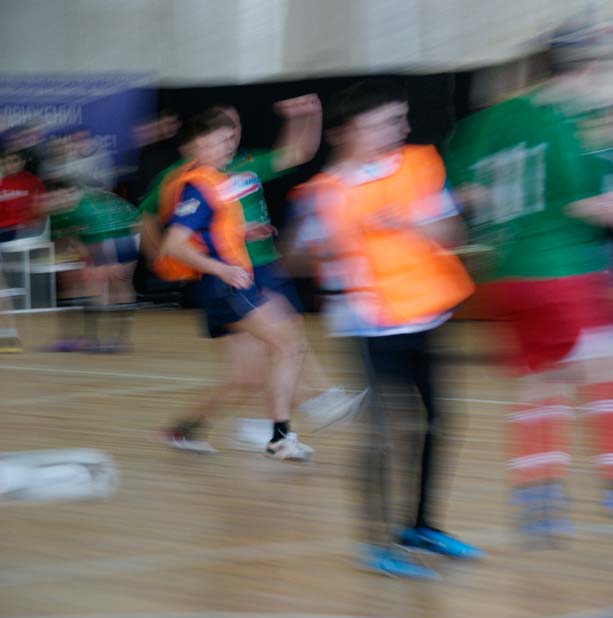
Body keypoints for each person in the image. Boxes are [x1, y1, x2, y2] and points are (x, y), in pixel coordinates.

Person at [445, 40, 613, 540]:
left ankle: (537, 498)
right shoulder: (573, 119)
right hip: (566, 271)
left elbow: (466, 192)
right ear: (587, 69)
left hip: (506, 275)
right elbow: (600, 208)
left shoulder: (487, 121)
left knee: (542, 382)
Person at [288, 80, 481, 578]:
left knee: (439, 422)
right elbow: (298, 255)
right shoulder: (327, 192)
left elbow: (453, 231)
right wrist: (328, 246)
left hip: (426, 314)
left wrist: (412, 224)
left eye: (401, 118)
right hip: (368, 325)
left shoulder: (420, 164)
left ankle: (420, 526)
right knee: (383, 432)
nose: (402, 128)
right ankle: (375, 545)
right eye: (388, 122)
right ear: (351, 131)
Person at [154, 109, 311, 462]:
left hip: (225, 286)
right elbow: (173, 244)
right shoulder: (199, 186)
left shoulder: (217, 182)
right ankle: (280, 438)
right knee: (290, 346)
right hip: (227, 285)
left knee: (246, 378)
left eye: (229, 139)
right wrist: (221, 269)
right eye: (217, 142)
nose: (227, 146)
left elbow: (211, 232)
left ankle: (184, 431)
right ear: (198, 147)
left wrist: (243, 232)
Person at [44, 184, 140, 352]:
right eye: (50, 198)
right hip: (105, 236)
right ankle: (85, 339)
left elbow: (96, 240)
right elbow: (66, 240)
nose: (55, 201)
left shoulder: (84, 208)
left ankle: (112, 340)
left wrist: (102, 263)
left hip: (118, 235)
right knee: (79, 283)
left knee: (112, 284)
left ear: (71, 193)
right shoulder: (58, 213)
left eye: (58, 196)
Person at [0, 149, 45, 352]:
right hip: (3, 234)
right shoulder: (1, 184)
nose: (10, 165)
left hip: (21, 234)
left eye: (13, 161)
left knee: (3, 287)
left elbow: (39, 213)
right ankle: (8, 336)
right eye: (6, 162)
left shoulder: (33, 183)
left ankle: (10, 336)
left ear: (21, 162)